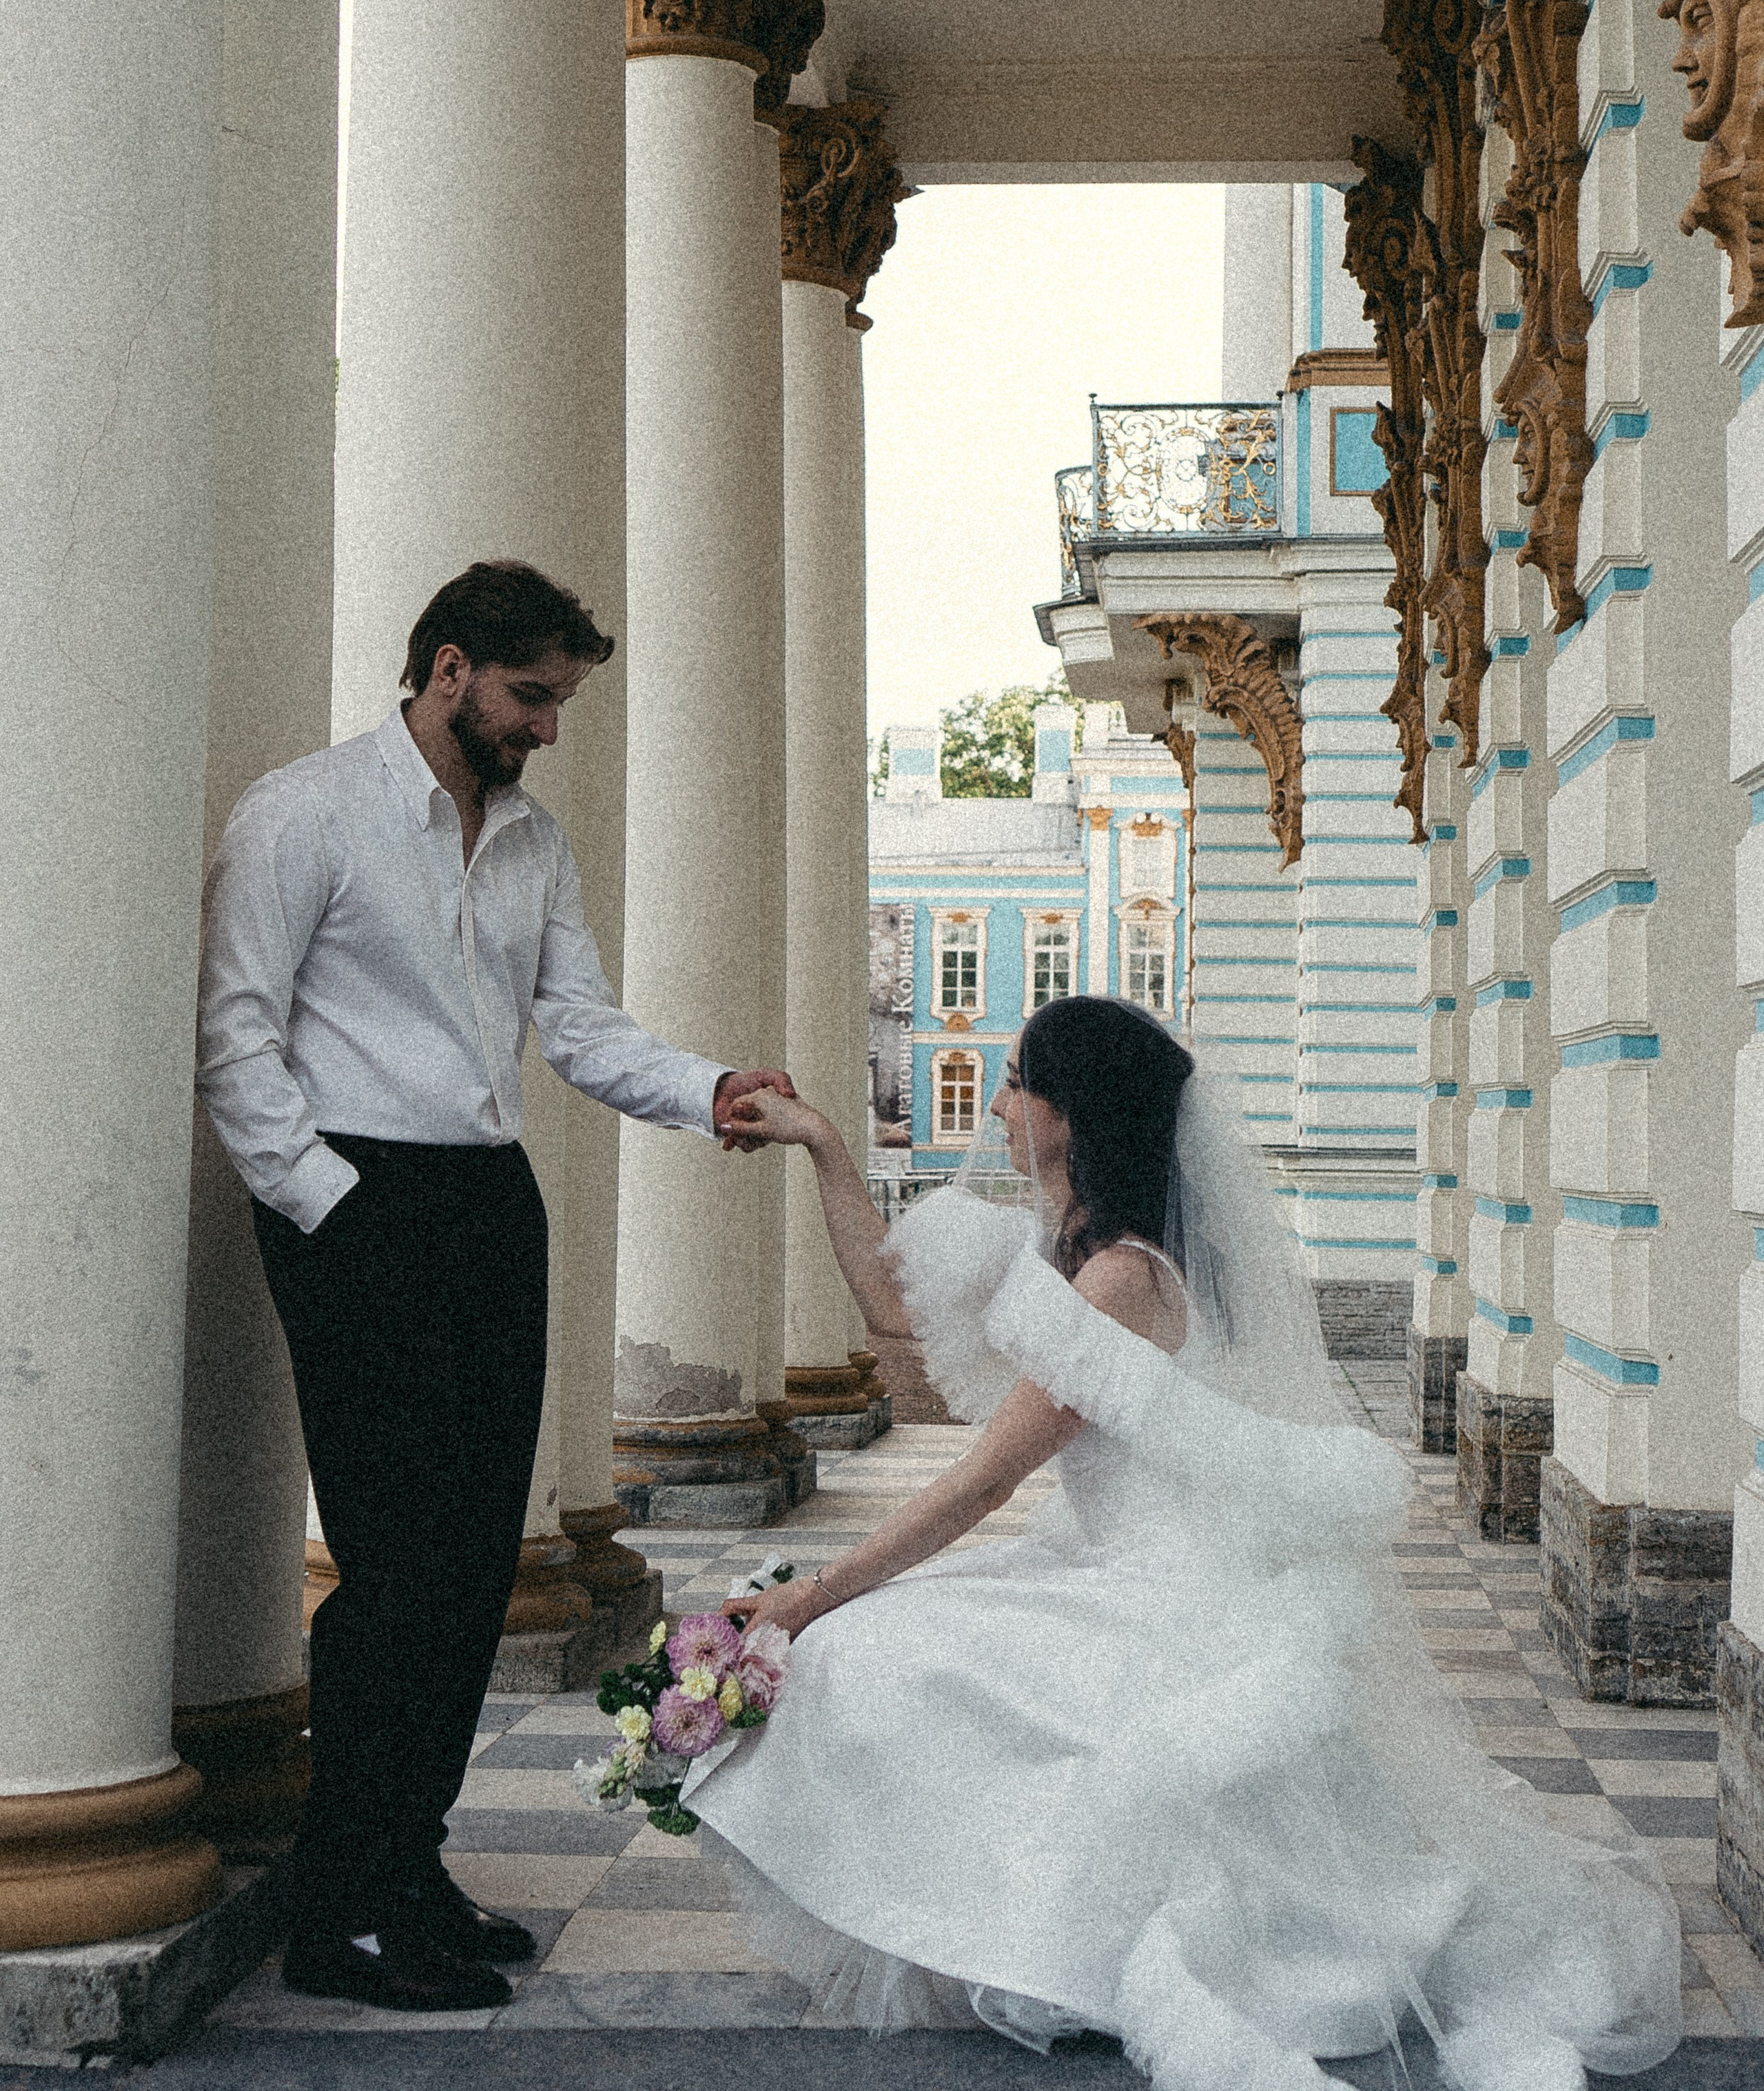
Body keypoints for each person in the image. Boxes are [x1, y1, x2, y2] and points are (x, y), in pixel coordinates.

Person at [684, 996, 1682, 2091]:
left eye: (1018, 1083)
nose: (1000, 1104)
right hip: (1096, 1560)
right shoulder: (1052, 1246)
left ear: (1073, 1116)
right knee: (887, 1646)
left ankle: (1045, 1945)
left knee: (871, 1651)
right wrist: (823, 1144)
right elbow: (890, 1304)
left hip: (1168, 1588)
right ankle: (991, 1927)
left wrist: (811, 1595)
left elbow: (985, 1480)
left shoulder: (1121, 1277)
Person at [196, 559, 790, 2013]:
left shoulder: (530, 845)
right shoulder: (303, 814)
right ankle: (343, 1909)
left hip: (484, 1210)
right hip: (353, 1203)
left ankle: (408, 1865)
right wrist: (336, 1212)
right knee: (393, 1572)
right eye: (531, 696)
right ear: (448, 667)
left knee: (472, 1573)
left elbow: (580, 1032)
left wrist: (710, 1088)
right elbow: (235, 1041)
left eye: (561, 701)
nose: (546, 727)